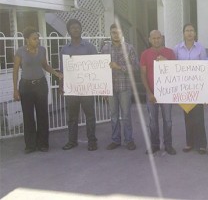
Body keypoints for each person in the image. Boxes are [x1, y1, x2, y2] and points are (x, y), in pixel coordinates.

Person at [13, 27, 62, 153]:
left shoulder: (42, 50)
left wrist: (56, 73)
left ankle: (43, 144)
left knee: (42, 115)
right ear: (27, 40)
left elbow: (45, 65)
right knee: (28, 116)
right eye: (34, 39)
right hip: (26, 86)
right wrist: (15, 89)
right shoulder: (20, 52)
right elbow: (15, 71)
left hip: (40, 85)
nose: (37, 41)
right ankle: (30, 145)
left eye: (38, 38)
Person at [60, 19, 98, 151]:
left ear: (81, 29)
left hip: (86, 88)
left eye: (77, 27)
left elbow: (96, 66)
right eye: (72, 28)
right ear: (69, 31)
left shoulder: (89, 47)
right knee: (72, 117)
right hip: (71, 88)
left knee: (90, 115)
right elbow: (62, 69)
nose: (75, 29)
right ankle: (72, 141)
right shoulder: (65, 49)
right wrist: (61, 85)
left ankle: (92, 141)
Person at [101, 23, 139, 151]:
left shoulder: (129, 48)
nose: (116, 35)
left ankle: (129, 140)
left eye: (118, 32)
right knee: (113, 115)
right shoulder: (105, 49)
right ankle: (115, 140)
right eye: (113, 32)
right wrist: (103, 89)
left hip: (125, 87)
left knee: (126, 115)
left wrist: (119, 67)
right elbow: (101, 70)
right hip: (110, 87)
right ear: (110, 34)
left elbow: (134, 67)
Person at [140, 30, 176, 155]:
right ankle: (154, 145)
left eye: (158, 38)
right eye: (153, 38)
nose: (156, 40)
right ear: (150, 39)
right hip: (152, 93)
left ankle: (168, 145)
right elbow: (143, 74)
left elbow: (176, 72)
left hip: (166, 93)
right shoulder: (145, 54)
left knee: (168, 121)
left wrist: (167, 61)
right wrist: (149, 93)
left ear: (162, 38)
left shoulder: (170, 53)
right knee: (152, 122)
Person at [174, 23, 207, 155]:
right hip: (183, 88)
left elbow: (204, 67)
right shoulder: (177, 48)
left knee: (199, 116)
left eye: (191, 30)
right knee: (187, 115)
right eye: (187, 30)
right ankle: (189, 143)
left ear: (195, 33)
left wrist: (205, 89)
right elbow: (173, 66)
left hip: (197, 87)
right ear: (183, 33)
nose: (189, 33)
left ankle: (202, 144)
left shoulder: (200, 48)